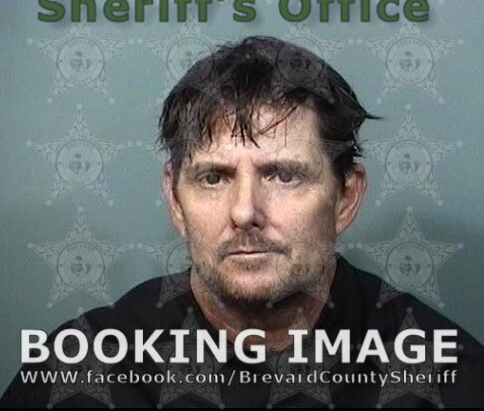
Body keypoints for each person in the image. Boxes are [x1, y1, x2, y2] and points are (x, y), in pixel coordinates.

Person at [1, 36, 483, 409]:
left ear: (346, 197)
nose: (244, 212)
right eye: (213, 178)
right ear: (174, 198)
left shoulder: (446, 379)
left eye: (284, 175)